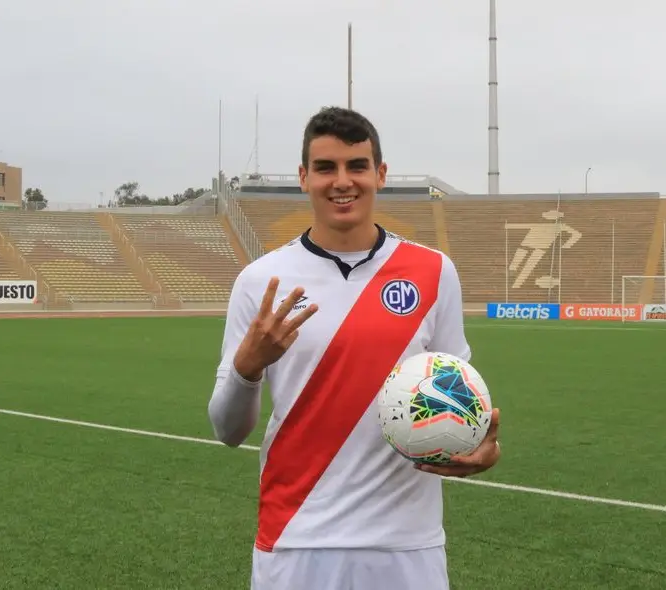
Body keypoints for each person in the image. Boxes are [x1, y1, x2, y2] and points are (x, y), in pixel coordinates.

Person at [207, 106, 501, 590]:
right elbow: (227, 430)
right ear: (304, 177)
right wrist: (248, 367)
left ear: (380, 174)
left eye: (356, 166)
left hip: (408, 545)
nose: (342, 181)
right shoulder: (261, 281)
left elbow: (457, 395)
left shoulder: (432, 272)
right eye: (325, 168)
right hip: (296, 539)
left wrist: (478, 448)